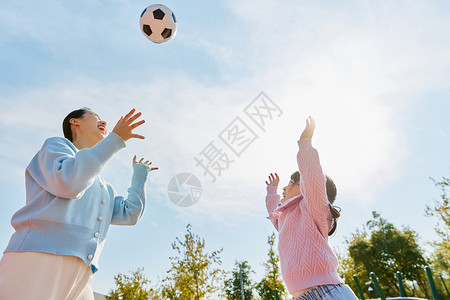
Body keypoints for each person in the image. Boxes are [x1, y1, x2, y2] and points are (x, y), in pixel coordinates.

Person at [0, 108, 158, 300]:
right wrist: (115, 139)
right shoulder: (55, 146)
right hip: (38, 257)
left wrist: (139, 176)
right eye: (96, 117)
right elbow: (69, 181)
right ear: (75, 122)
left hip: (83, 274)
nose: (104, 122)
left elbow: (130, 214)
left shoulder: (102, 186)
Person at [265, 116, 358, 300]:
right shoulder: (285, 217)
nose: (285, 186)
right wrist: (271, 192)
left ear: (305, 186)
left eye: (292, 182)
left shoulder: (312, 207)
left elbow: (313, 179)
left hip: (327, 292)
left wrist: (305, 144)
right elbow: (274, 214)